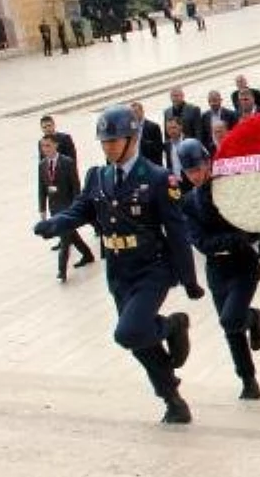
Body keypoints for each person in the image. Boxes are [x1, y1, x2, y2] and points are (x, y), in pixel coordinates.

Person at [32, 105, 204, 424]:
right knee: (140, 343)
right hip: (118, 270)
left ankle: (174, 325)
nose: (109, 146)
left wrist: (189, 279)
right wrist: (55, 223)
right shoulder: (98, 176)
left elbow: (177, 232)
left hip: (151, 267)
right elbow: (82, 208)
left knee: (129, 332)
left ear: (133, 138)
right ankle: (173, 401)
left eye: (115, 140)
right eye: (105, 142)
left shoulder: (156, 178)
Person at [177, 139, 260, 400]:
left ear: (208, 164)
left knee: (231, 318)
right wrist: (230, 239)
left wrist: (231, 240)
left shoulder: (230, 189)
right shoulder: (188, 202)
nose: (194, 176)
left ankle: (252, 317)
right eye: (189, 171)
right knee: (230, 328)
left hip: (243, 267)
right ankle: (248, 380)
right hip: (218, 271)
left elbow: (250, 228)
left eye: (197, 169)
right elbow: (200, 242)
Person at [38, 135, 95, 281]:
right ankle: (87, 255)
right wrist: (42, 209)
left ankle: (61, 271)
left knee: (65, 239)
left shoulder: (67, 162)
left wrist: (76, 206)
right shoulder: (42, 164)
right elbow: (41, 188)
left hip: (67, 206)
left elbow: (76, 186)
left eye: (48, 146)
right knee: (71, 236)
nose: (45, 149)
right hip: (54, 207)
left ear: (55, 145)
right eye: (43, 146)